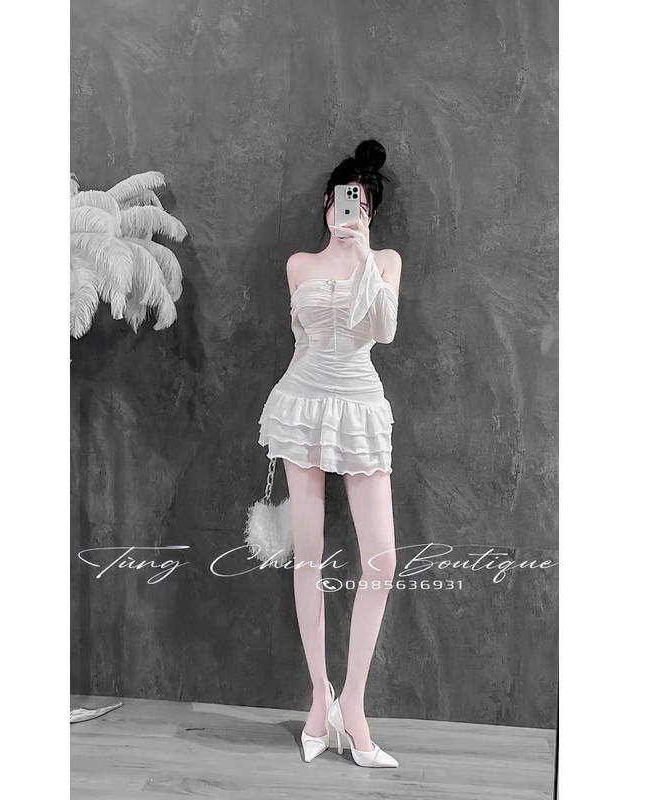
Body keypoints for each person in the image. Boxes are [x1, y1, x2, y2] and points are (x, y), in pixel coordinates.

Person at [257, 139, 402, 767]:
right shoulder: (298, 265)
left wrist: (364, 253)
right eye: (345, 200)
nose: (351, 210)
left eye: (362, 203)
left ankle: (354, 705)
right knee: (309, 557)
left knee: (382, 558)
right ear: (326, 203)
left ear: (370, 212)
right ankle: (320, 697)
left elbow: (384, 331)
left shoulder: (386, 261)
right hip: (303, 403)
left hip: (361, 407)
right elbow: (301, 341)